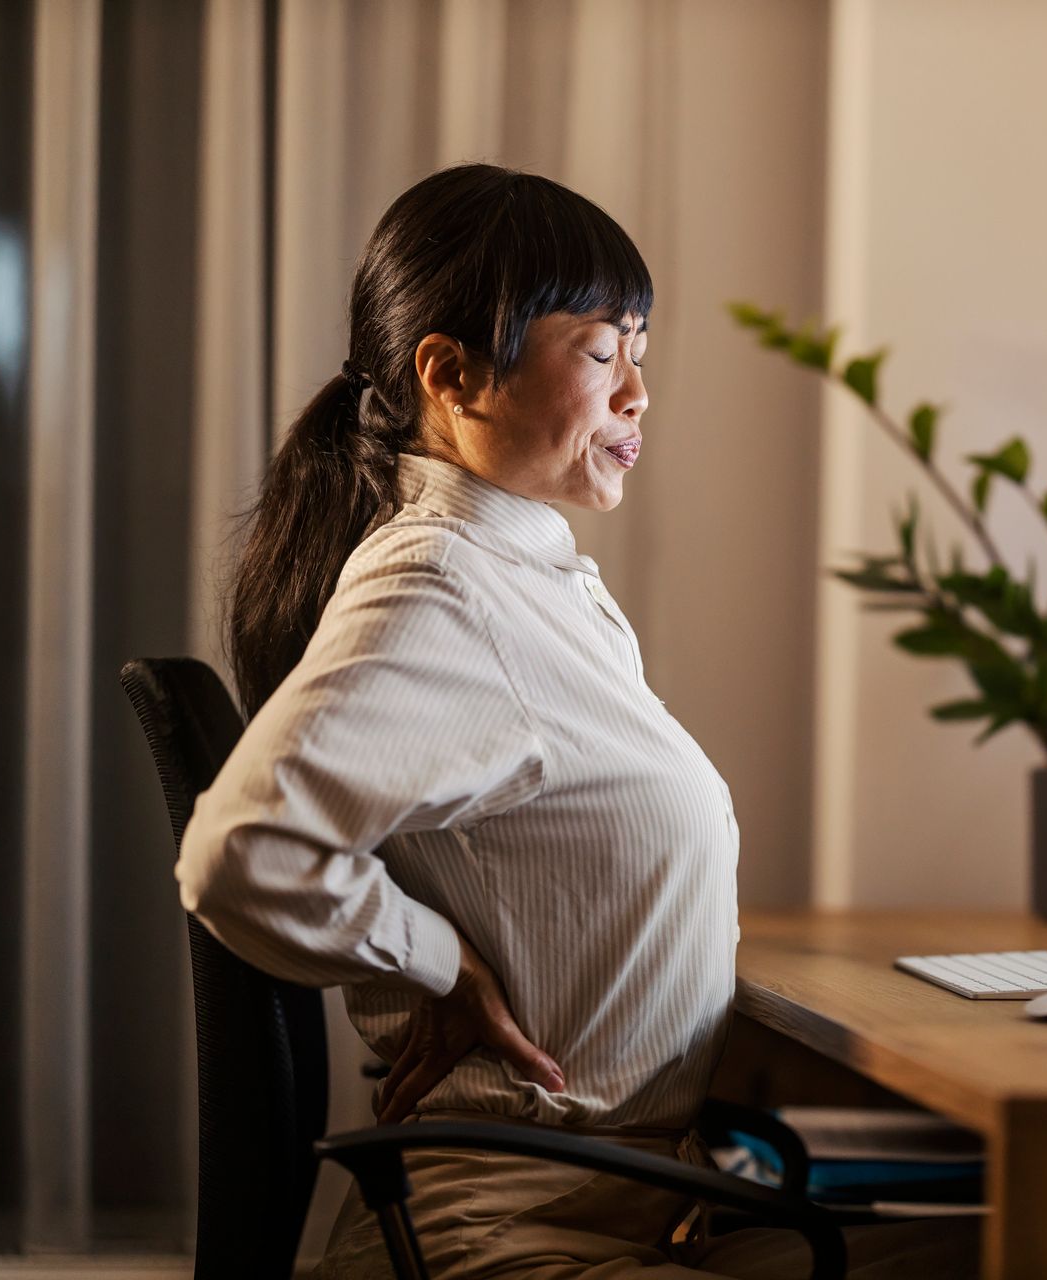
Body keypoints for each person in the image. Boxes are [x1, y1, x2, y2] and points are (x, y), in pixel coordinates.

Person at [175, 165, 976, 1278]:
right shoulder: (440, 586)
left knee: (1030, 1236)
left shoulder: (518, 572)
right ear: (452, 373)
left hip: (619, 1200)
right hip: (515, 1234)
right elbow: (239, 852)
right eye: (603, 352)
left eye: (641, 350)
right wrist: (437, 959)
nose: (639, 391)